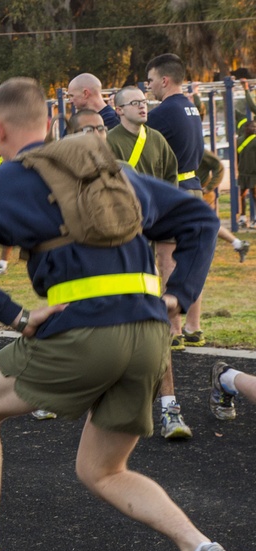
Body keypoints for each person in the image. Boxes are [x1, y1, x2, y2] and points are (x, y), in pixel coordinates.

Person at [0, 77, 243, 551]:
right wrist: (179, 294)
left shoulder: (5, 181)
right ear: (48, 125)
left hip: (81, 330)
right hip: (149, 337)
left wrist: (16, 315)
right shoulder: (113, 172)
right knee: (102, 470)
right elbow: (200, 219)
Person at [146, 53, 208, 440]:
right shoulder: (192, 108)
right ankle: (194, 326)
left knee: (168, 261)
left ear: (165, 81)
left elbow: (143, 138)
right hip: (194, 186)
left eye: (151, 80)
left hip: (177, 188)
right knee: (189, 263)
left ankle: (173, 328)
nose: (148, 86)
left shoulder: (166, 112)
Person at [106, 86, 177, 184]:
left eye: (144, 102)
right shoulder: (109, 140)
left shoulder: (157, 138)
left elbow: (171, 175)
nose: (142, 106)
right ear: (119, 110)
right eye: (135, 103)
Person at [197, 148, 249, 261]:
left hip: (202, 195)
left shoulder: (199, 150)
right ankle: (238, 244)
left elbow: (219, 167)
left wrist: (209, 187)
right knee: (207, 224)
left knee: (204, 225)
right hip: (194, 194)